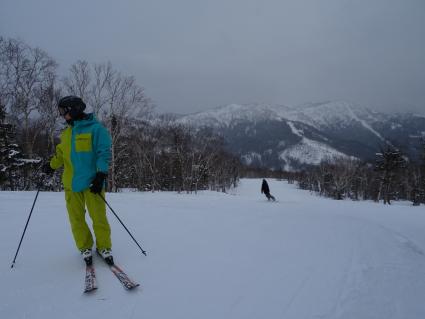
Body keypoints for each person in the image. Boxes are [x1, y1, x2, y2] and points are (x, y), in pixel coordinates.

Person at [43, 96, 114, 266]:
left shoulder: (96, 129)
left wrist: (101, 175)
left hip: (92, 185)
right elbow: (61, 155)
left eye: (63, 112)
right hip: (71, 185)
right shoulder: (67, 132)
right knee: (76, 219)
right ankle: (85, 247)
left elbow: (103, 153)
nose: (62, 115)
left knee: (98, 217)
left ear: (74, 110)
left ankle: (104, 247)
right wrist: (51, 166)